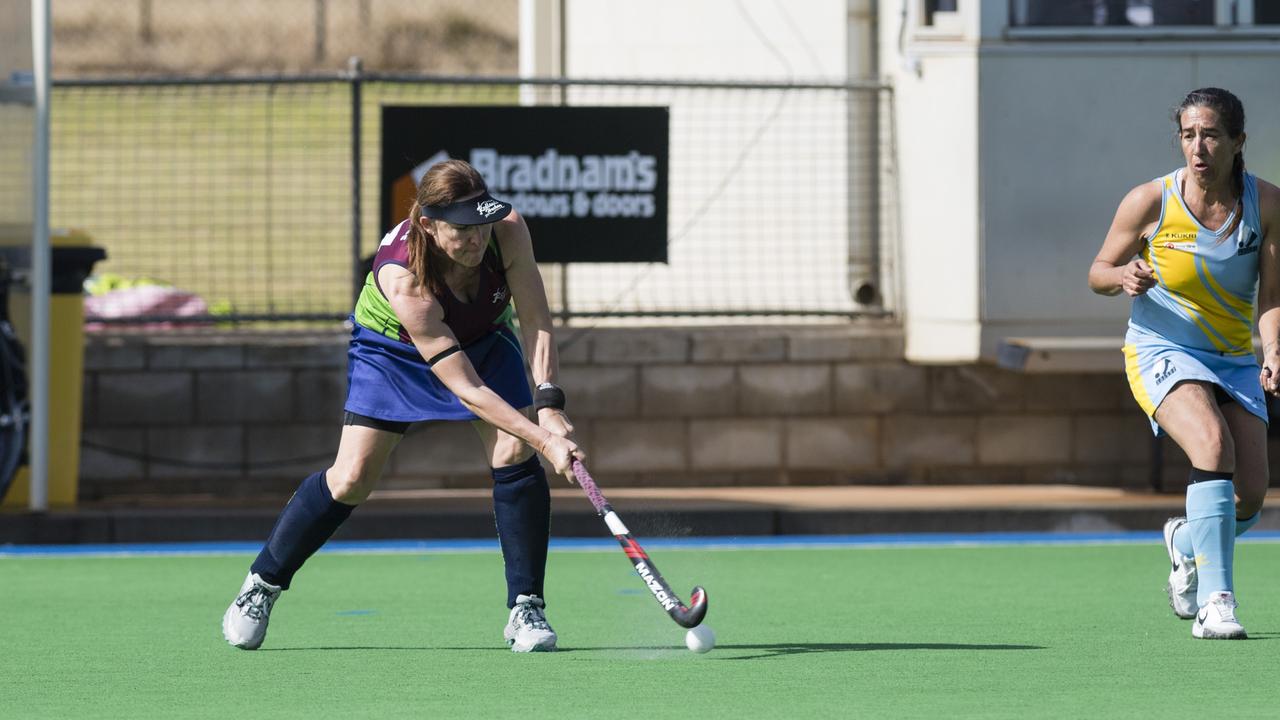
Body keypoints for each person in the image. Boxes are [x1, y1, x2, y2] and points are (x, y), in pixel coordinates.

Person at [222, 158, 583, 652]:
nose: (477, 238)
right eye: (462, 229)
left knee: (513, 451)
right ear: (429, 224)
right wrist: (544, 438)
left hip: (484, 335)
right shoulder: (404, 278)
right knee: (351, 478)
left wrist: (548, 404)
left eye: (482, 223)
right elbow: (468, 390)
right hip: (393, 349)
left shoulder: (508, 230)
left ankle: (527, 607)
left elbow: (537, 319)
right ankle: (260, 585)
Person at [1089, 87, 1280, 639]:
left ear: (1238, 141)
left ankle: (1185, 540)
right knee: (1211, 445)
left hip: (1232, 358)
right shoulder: (1150, 200)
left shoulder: (1266, 204)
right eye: (1189, 135)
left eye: (1211, 135)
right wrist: (1122, 276)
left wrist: (1273, 351)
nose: (1198, 147)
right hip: (1161, 349)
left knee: (1251, 497)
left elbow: (1272, 295)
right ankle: (1216, 602)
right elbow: (1098, 270)